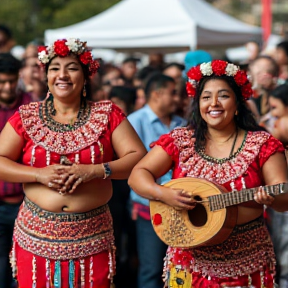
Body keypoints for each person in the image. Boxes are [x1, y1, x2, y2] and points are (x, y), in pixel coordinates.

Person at [0, 38, 146, 288]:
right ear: (46, 75)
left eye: (72, 68)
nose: (62, 75)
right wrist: (39, 175)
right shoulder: (27, 116)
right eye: (55, 68)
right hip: (36, 234)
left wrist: (95, 170)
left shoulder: (107, 114)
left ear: (85, 75)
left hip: (92, 235)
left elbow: (139, 160)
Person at [128, 60, 288, 288]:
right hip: (189, 263)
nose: (213, 103)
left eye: (223, 95)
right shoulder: (181, 140)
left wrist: (271, 199)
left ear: (238, 101)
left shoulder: (262, 144)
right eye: (205, 97)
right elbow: (138, 175)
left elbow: (284, 199)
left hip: (245, 262)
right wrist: (163, 194)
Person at [128, 73, 187, 288]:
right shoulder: (135, 121)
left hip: (182, 207)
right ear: (156, 94)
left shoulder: (183, 124)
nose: (177, 99)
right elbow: (132, 167)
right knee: (152, 269)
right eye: (173, 93)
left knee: (180, 269)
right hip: (149, 207)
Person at [0, 52, 31, 288]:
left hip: (26, 201)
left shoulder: (32, 107)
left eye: (12, 81)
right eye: (2, 82)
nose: (8, 87)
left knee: (23, 266)